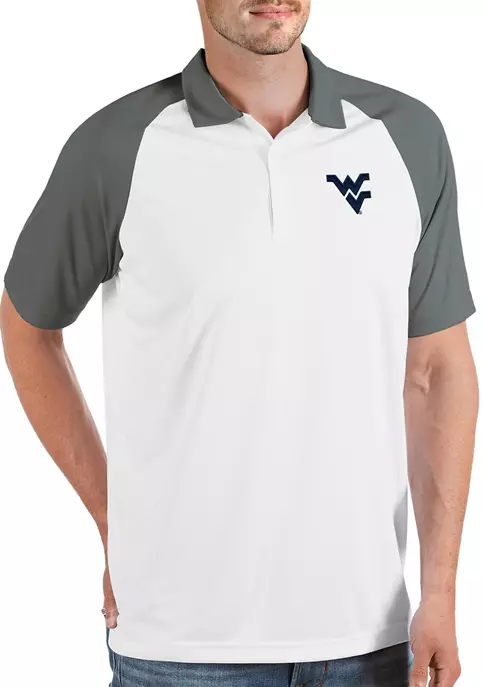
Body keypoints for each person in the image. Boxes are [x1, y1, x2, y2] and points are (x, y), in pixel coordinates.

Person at [1, 1, 478, 686]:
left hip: (369, 640)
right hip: (178, 649)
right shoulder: (116, 147)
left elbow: (436, 371)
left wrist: (440, 591)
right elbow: (26, 327)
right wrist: (113, 518)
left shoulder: (406, 138)